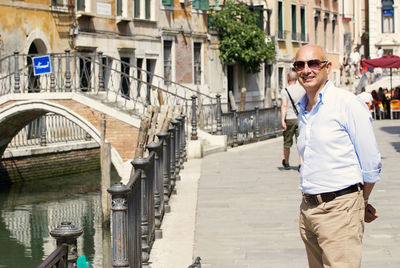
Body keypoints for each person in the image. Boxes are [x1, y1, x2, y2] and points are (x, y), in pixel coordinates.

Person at [293, 44, 381, 268]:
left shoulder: (347, 104)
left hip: (340, 208)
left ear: (327, 67)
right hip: (309, 209)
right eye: (299, 65)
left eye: (313, 63)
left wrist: (360, 202)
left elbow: (371, 164)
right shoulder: (304, 109)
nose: (306, 70)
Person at [280, 69, 305, 171]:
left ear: (288, 79)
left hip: (289, 119)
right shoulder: (302, 89)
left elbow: (284, 106)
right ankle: (301, 163)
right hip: (300, 118)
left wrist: (282, 120)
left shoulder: (285, 91)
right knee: (300, 141)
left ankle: (286, 162)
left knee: (287, 142)